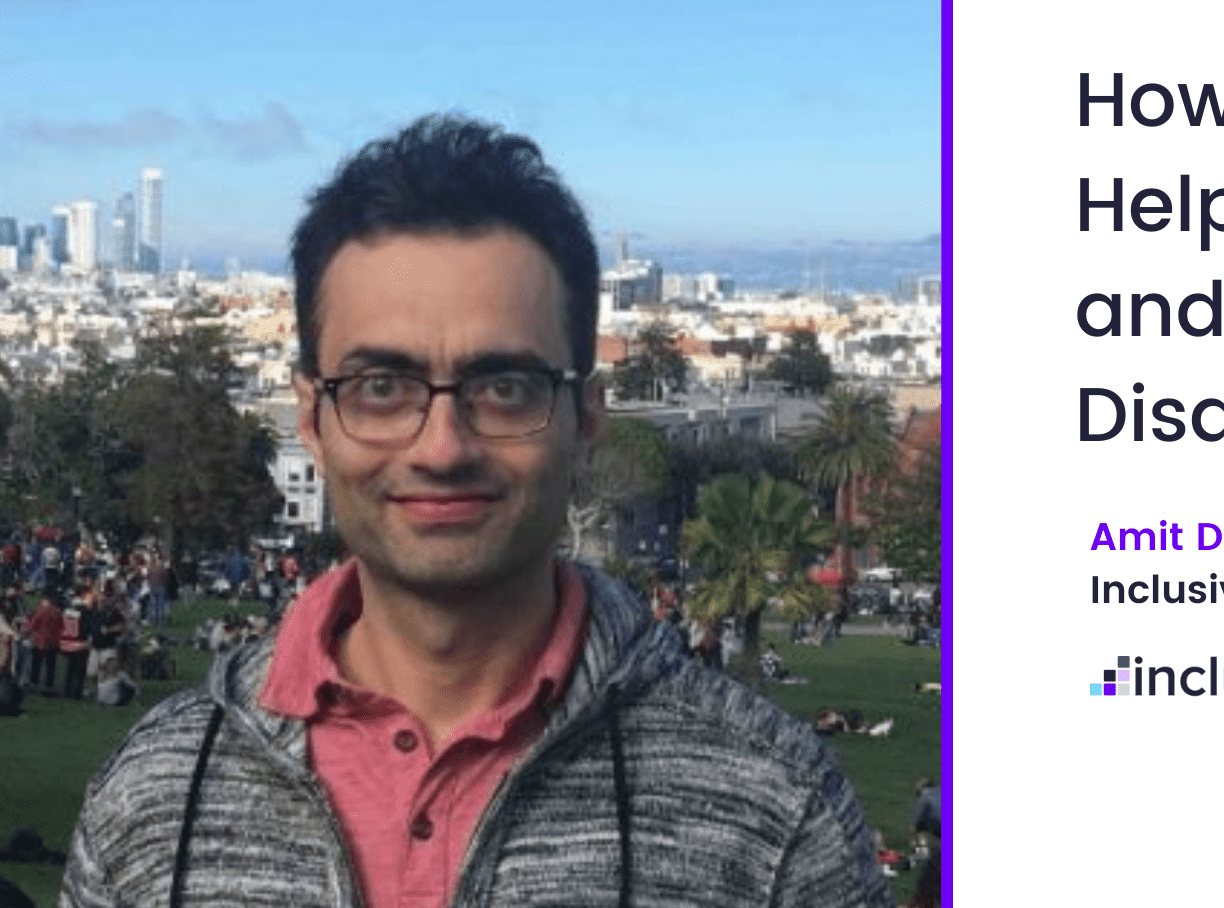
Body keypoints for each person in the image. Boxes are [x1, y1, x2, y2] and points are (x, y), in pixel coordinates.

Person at [65, 114, 889, 908]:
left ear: (587, 417)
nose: (442, 446)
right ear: (312, 419)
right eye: (382, 388)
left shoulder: (773, 805)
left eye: (504, 387)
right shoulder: (156, 796)